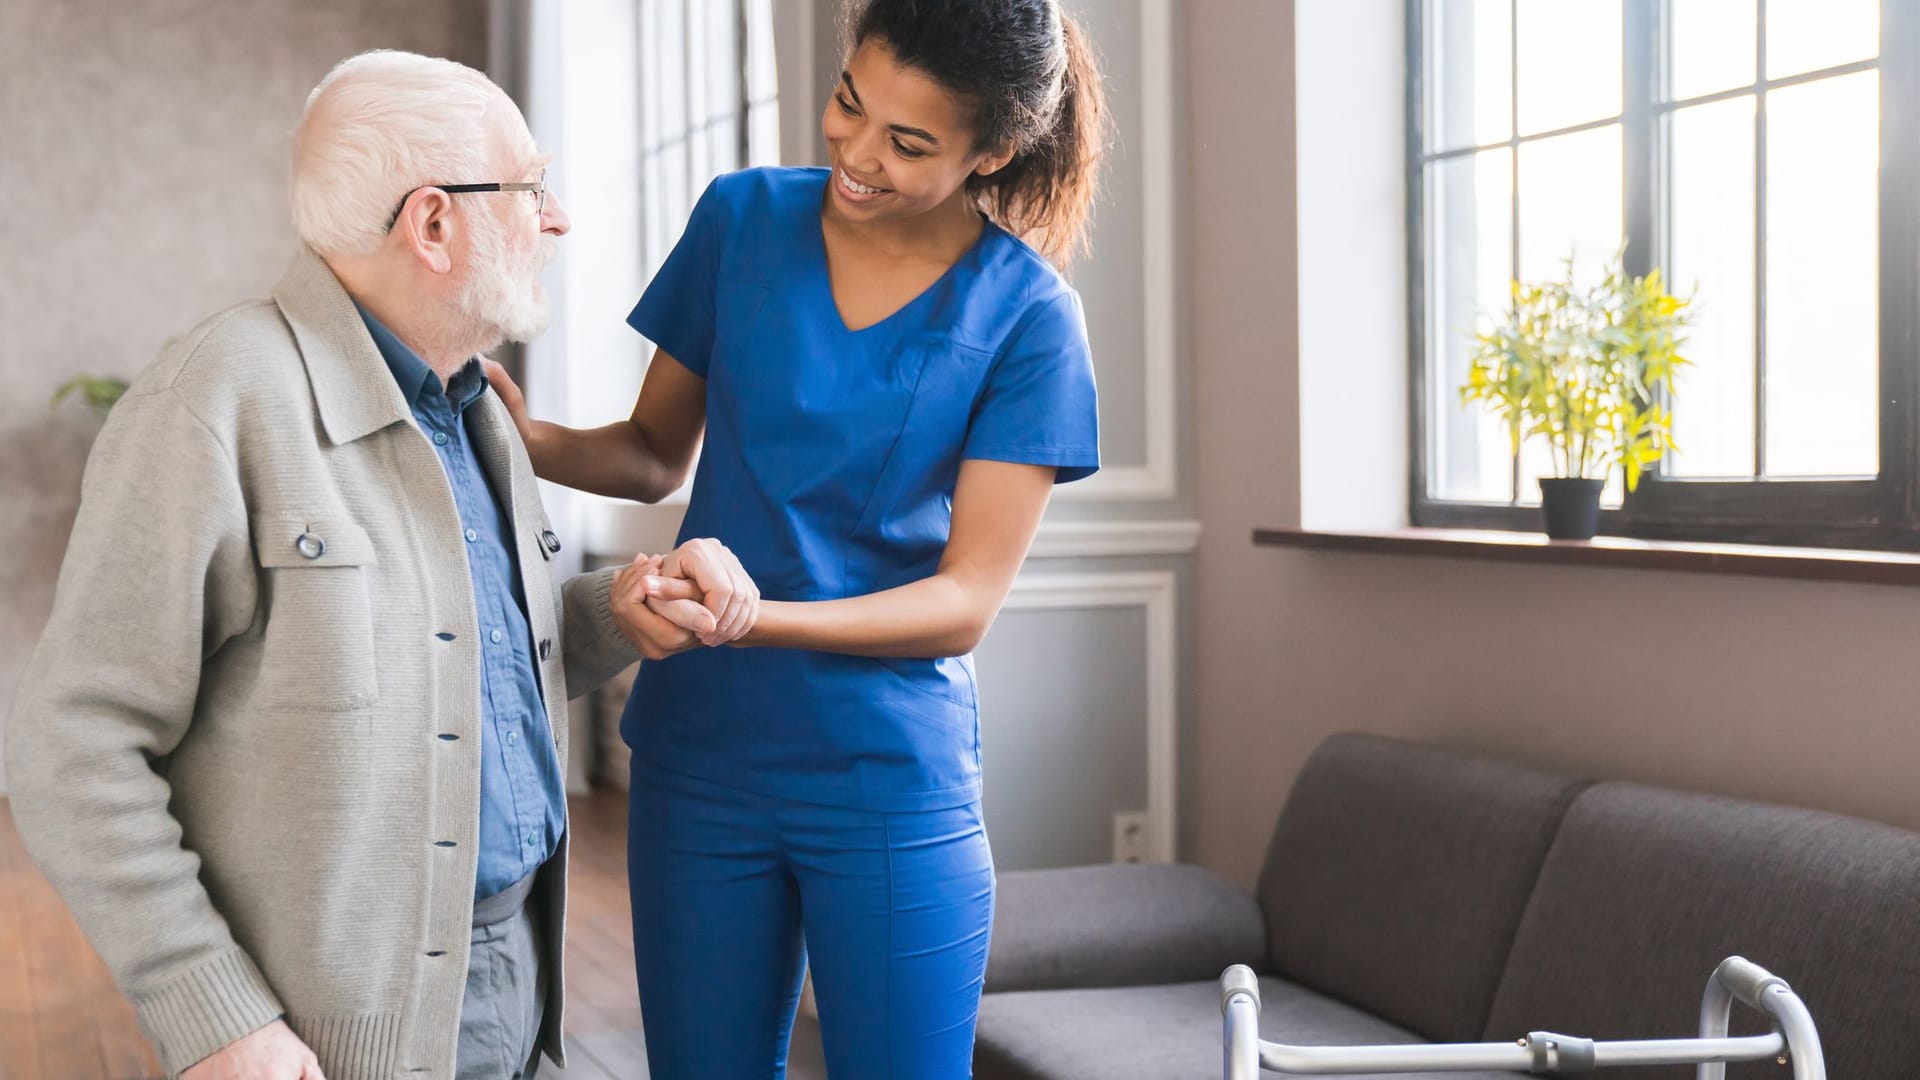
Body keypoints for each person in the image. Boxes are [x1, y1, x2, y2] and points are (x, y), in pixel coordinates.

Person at [6, 50, 742, 1080]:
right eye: (531, 188)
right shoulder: (214, 401)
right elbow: (68, 741)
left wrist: (620, 609)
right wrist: (216, 1016)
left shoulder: (476, 406)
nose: (559, 218)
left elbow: (463, 659)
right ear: (433, 223)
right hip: (332, 1040)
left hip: (518, 973)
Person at [488, 1, 1109, 1073]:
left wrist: (751, 617)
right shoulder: (741, 222)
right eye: (848, 104)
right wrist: (521, 436)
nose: (858, 157)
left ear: (990, 152)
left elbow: (964, 602)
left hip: (885, 777)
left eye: (909, 143)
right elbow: (649, 453)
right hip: (699, 762)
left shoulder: (1029, 315)